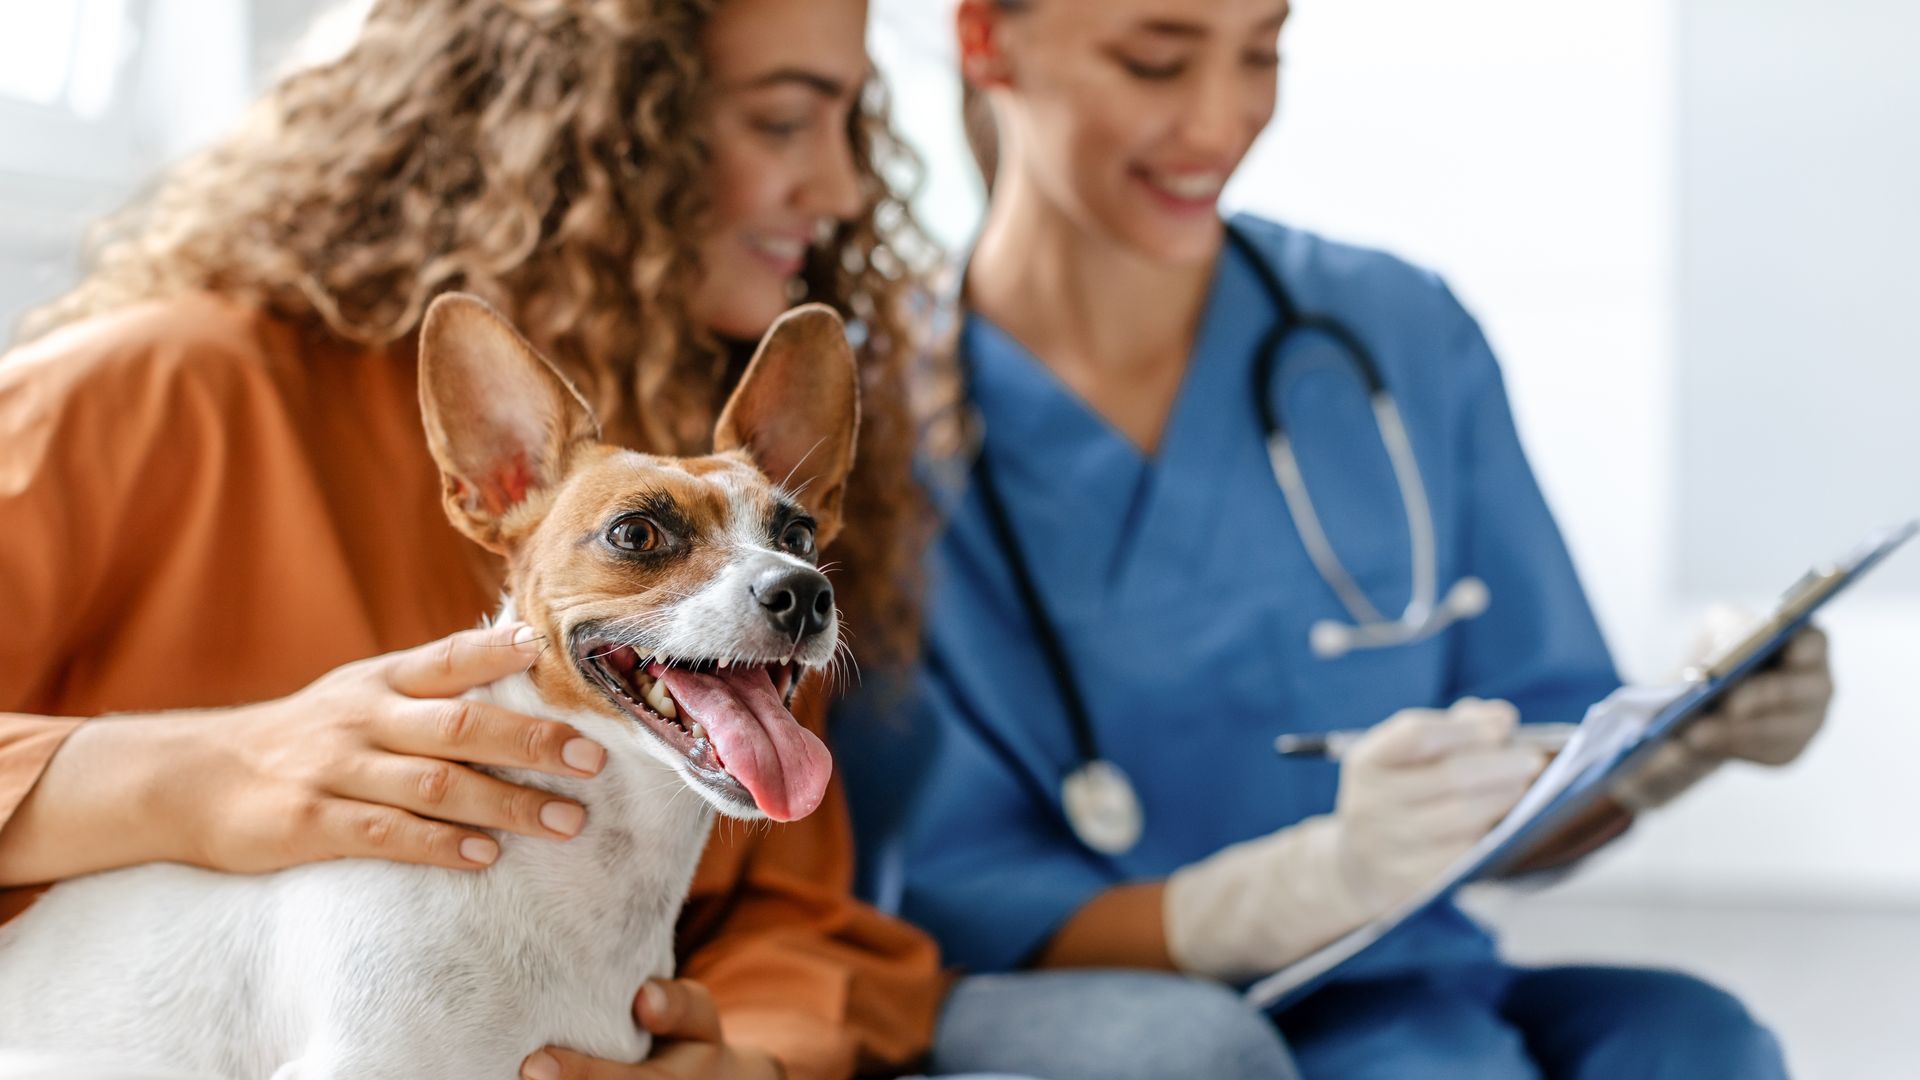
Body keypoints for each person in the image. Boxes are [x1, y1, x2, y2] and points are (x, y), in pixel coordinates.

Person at [837, 2, 1835, 1078]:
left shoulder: (1400, 332)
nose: (1223, 120)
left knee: (1700, 1043)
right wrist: (1309, 886)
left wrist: (1673, 748)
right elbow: (956, 898)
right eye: (1155, 61)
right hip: (1139, 1018)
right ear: (987, 39)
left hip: (1419, 987)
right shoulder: (870, 420)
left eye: (1263, 52)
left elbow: (1543, 773)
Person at [0, 2, 958, 1078]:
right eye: (783, 121)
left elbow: (794, 914)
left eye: (854, 127)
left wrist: (752, 1062)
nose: (846, 192)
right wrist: (199, 771)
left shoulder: (744, 546)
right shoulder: (150, 391)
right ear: (586, 133)